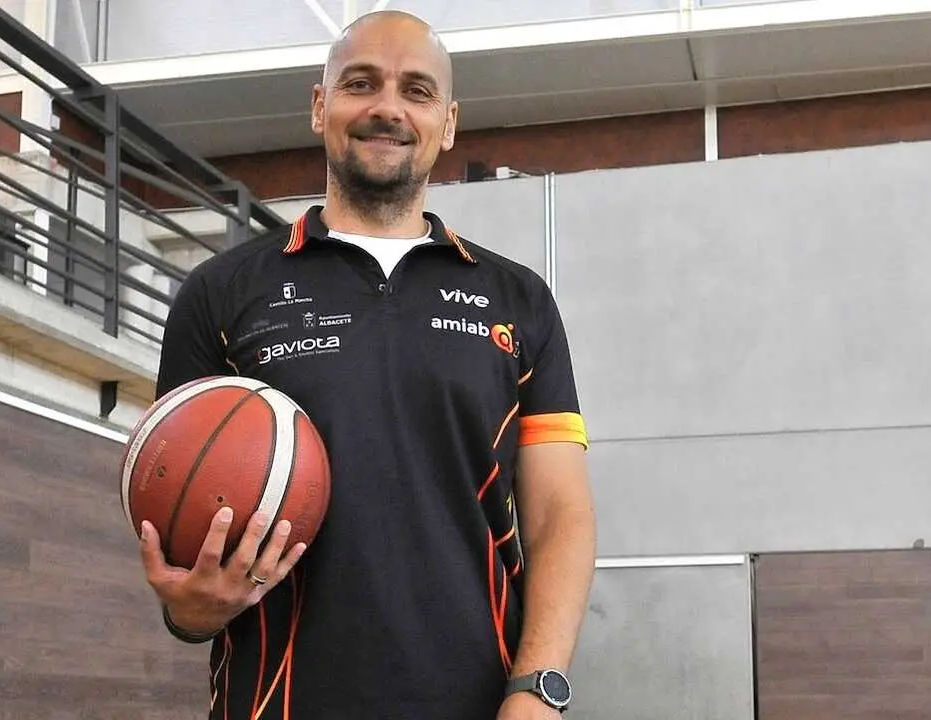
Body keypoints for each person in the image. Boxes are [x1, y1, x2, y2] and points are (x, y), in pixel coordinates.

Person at [137, 10, 596, 719]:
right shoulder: (220, 294)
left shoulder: (518, 300)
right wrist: (190, 611)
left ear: (448, 123)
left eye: (417, 90)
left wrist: (539, 689)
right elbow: (180, 508)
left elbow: (560, 514)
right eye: (360, 84)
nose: (388, 107)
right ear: (320, 106)